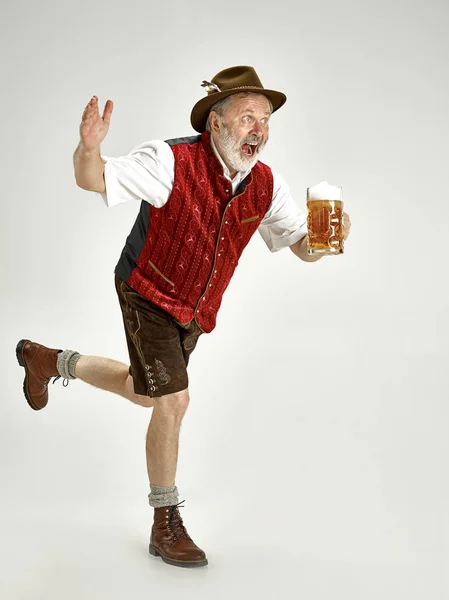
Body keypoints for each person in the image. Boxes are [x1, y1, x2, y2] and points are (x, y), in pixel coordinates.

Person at [16, 65, 351, 569]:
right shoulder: (169, 160)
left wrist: (332, 240)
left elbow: (302, 248)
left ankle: (51, 362)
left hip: (194, 311)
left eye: (264, 119)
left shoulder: (266, 186)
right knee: (174, 401)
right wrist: (88, 148)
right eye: (246, 118)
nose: (258, 129)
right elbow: (93, 179)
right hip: (146, 290)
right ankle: (165, 521)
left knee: (142, 390)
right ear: (214, 123)